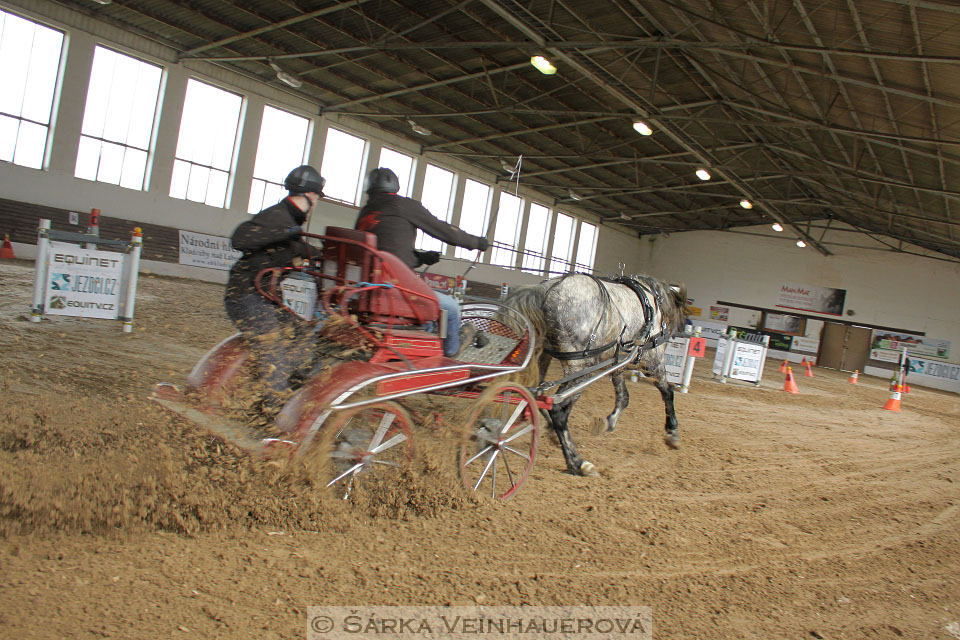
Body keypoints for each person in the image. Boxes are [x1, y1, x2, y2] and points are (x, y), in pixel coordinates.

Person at [224, 165, 325, 415]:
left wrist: (321, 253)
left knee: (303, 333)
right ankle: (272, 412)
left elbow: (298, 248)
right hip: (246, 296)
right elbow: (240, 238)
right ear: (311, 196)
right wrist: (284, 233)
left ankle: (292, 391)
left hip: (263, 297)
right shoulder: (279, 217)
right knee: (273, 353)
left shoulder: (291, 222)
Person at [355, 167, 488, 357]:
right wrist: (477, 243)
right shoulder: (403, 205)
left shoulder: (366, 213)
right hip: (395, 289)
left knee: (432, 306)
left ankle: (427, 335)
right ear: (395, 187)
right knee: (451, 307)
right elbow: (445, 231)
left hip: (368, 289)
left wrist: (420, 258)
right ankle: (450, 352)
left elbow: (387, 252)